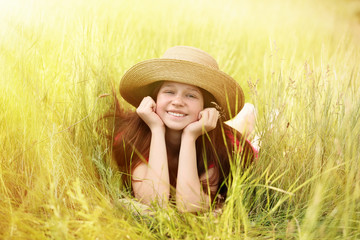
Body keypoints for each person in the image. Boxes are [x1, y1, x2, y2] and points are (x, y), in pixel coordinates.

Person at [110, 46, 258, 212]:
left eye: (191, 95)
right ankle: (247, 115)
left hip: (225, 138)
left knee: (248, 128)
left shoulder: (220, 145)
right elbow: (154, 203)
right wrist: (157, 129)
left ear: (206, 106)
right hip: (153, 132)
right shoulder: (135, 134)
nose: (178, 101)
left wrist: (189, 137)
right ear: (154, 97)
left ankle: (249, 116)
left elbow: (190, 206)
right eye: (169, 91)